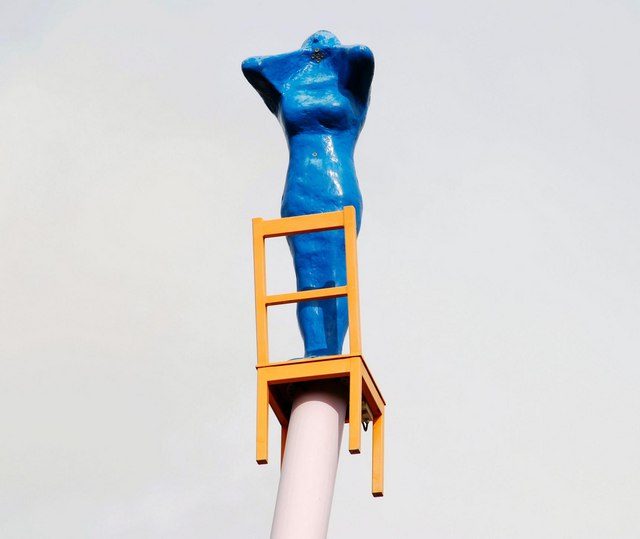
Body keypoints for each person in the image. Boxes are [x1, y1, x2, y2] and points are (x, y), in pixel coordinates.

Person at [243, 30, 374, 357]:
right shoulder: (287, 85)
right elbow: (251, 65)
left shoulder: (350, 85)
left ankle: (333, 349)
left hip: (337, 187)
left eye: (323, 47)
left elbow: (363, 53)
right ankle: (315, 349)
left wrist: (327, 57)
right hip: (300, 189)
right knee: (308, 280)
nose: (319, 47)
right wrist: (305, 61)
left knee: (336, 276)